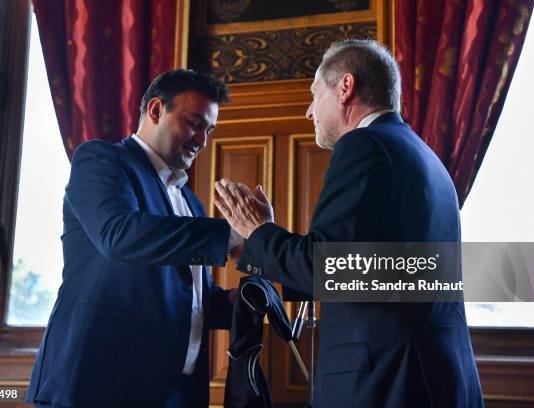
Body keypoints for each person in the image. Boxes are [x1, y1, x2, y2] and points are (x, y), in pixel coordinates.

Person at [214, 40, 484, 407]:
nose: (309, 112)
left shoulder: (364, 146)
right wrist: (261, 246)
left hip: (388, 383)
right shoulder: (424, 156)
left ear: (345, 87)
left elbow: (325, 267)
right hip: (434, 377)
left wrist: (259, 229)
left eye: (313, 95)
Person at [26, 69, 243, 407]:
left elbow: (189, 295)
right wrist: (230, 236)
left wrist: (231, 303)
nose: (202, 140)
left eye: (209, 130)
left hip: (176, 392)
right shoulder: (101, 161)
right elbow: (119, 235)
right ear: (156, 110)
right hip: (98, 384)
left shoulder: (192, 202)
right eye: (195, 124)